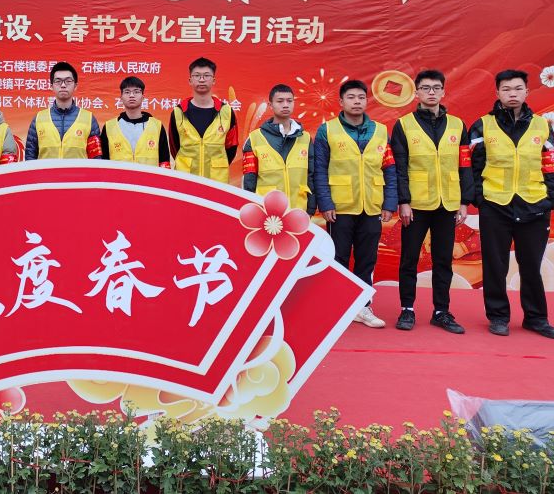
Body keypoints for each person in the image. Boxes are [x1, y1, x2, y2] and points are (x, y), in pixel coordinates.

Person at [470, 69, 554, 339]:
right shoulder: (482, 126)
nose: (512, 94)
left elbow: (551, 164)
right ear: (497, 93)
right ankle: (498, 317)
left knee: (531, 265)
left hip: (534, 205)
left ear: (526, 92)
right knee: (495, 265)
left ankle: (536, 319)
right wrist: (481, 199)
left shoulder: (542, 125)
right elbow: (473, 167)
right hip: (495, 205)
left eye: (518, 88)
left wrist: (551, 198)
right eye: (507, 89)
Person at [391, 70, 473, 334]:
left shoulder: (458, 125)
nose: (431, 93)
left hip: (447, 203)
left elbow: (465, 165)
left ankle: (441, 311)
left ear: (443, 92)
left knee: (443, 260)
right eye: (425, 88)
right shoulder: (404, 125)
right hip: (415, 205)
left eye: (436, 88)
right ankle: (407, 309)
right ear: (416, 93)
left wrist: (464, 202)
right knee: (409, 259)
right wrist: (403, 201)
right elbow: (399, 167)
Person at [313, 79, 397, 329]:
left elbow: (389, 169)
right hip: (339, 207)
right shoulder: (327, 130)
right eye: (351, 97)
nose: (357, 101)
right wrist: (325, 202)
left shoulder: (380, 131)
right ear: (341, 102)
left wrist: (389, 202)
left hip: (371, 205)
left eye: (361, 97)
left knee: (367, 258)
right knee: (338, 257)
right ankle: (338, 305)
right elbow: (319, 170)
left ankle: (363, 306)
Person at [242, 84, 315, 215]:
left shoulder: (305, 138)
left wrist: (311, 208)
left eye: (289, 101)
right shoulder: (254, 138)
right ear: (270, 105)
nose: (285, 105)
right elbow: (249, 180)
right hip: (266, 212)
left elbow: (311, 175)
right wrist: (252, 209)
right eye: (280, 101)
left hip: (299, 211)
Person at [169, 57, 238, 183]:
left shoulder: (226, 112)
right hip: (186, 180)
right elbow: (174, 147)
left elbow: (231, 147)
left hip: (217, 182)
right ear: (190, 80)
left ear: (213, 80)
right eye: (197, 75)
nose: (201, 79)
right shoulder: (178, 112)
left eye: (206, 75)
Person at [25, 61, 101, 160]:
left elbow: (96, 158)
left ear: (75, 86)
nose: (63, 85)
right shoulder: (39, 119)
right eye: (58, 81)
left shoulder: (89, 119)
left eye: (68, 81)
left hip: (78, 171)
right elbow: (30, 157)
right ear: (51, 86)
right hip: (47, 171)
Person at [100, 76, 171, 167]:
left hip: (148, 176)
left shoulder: (157, 126)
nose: (132, 95)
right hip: (118, 176)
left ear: (143, 97)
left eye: (136, 92)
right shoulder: (109, 127)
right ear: (121, 97)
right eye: (127, 92)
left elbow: (164, 162)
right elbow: (103, 162)